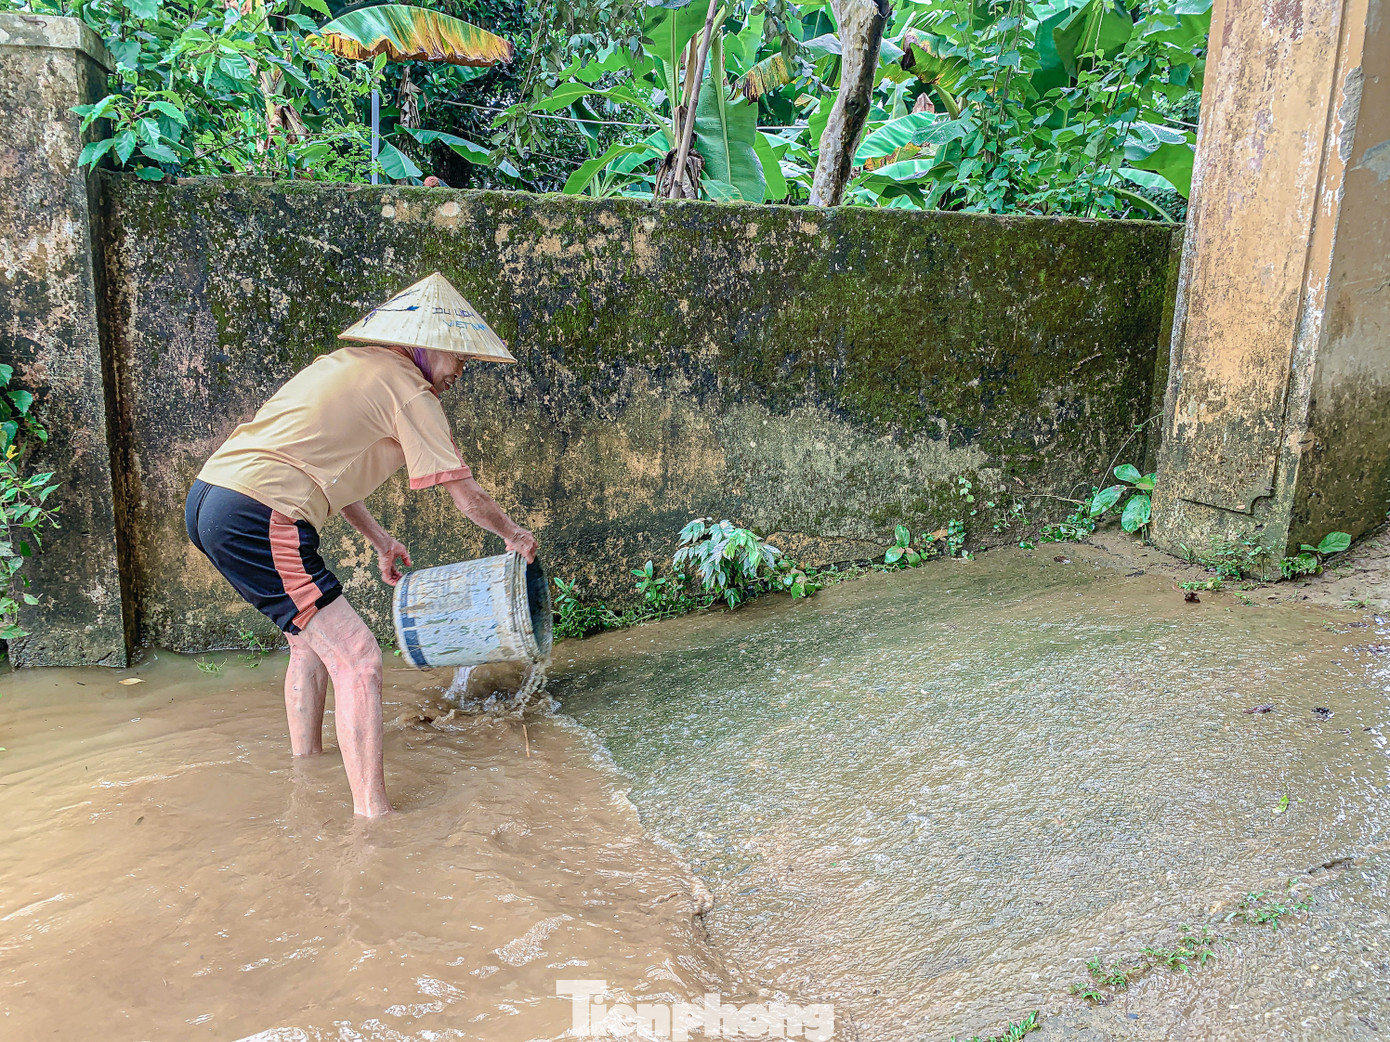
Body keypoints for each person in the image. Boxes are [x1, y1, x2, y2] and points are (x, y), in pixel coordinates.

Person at [185, 273, 537, 818]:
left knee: (309, 643)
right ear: (425, 343)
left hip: (213, 497)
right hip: (260, 510)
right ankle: (375, 823)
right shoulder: (411, 390)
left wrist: (380, 539)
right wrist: (514, 535)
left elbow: (328, 471)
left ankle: (307, 772)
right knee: (361, 659)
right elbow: (466, 496)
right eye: (458, 356)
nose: (461, 371)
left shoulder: (350, 368)